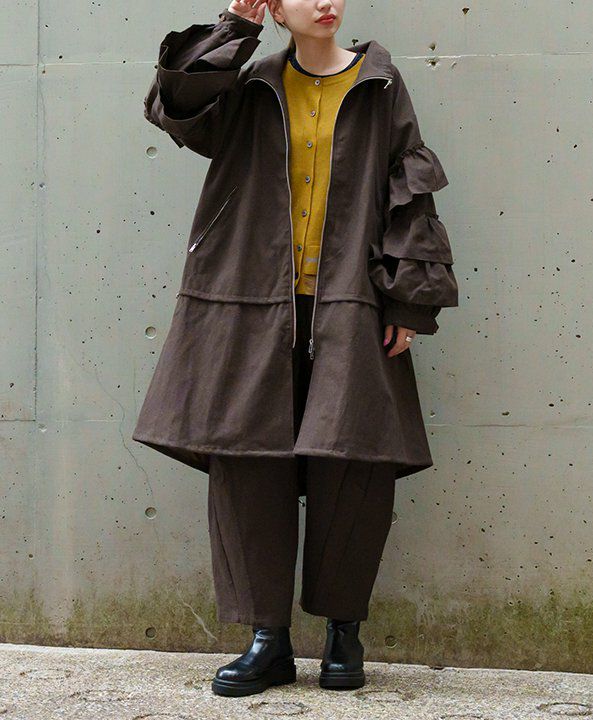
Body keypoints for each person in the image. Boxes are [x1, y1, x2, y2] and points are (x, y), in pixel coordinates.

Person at [133, 0, 459, 698]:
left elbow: (409, 189)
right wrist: (233, 27)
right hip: (250, 301)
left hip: (352, 300)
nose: (327, 2)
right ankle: (267, 639)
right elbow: (177, 103)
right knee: (246, 459)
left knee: (356, 461)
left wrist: (408, 300)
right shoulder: (250, 83)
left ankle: (345, 631)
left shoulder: (378, 83)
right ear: (276, 8)